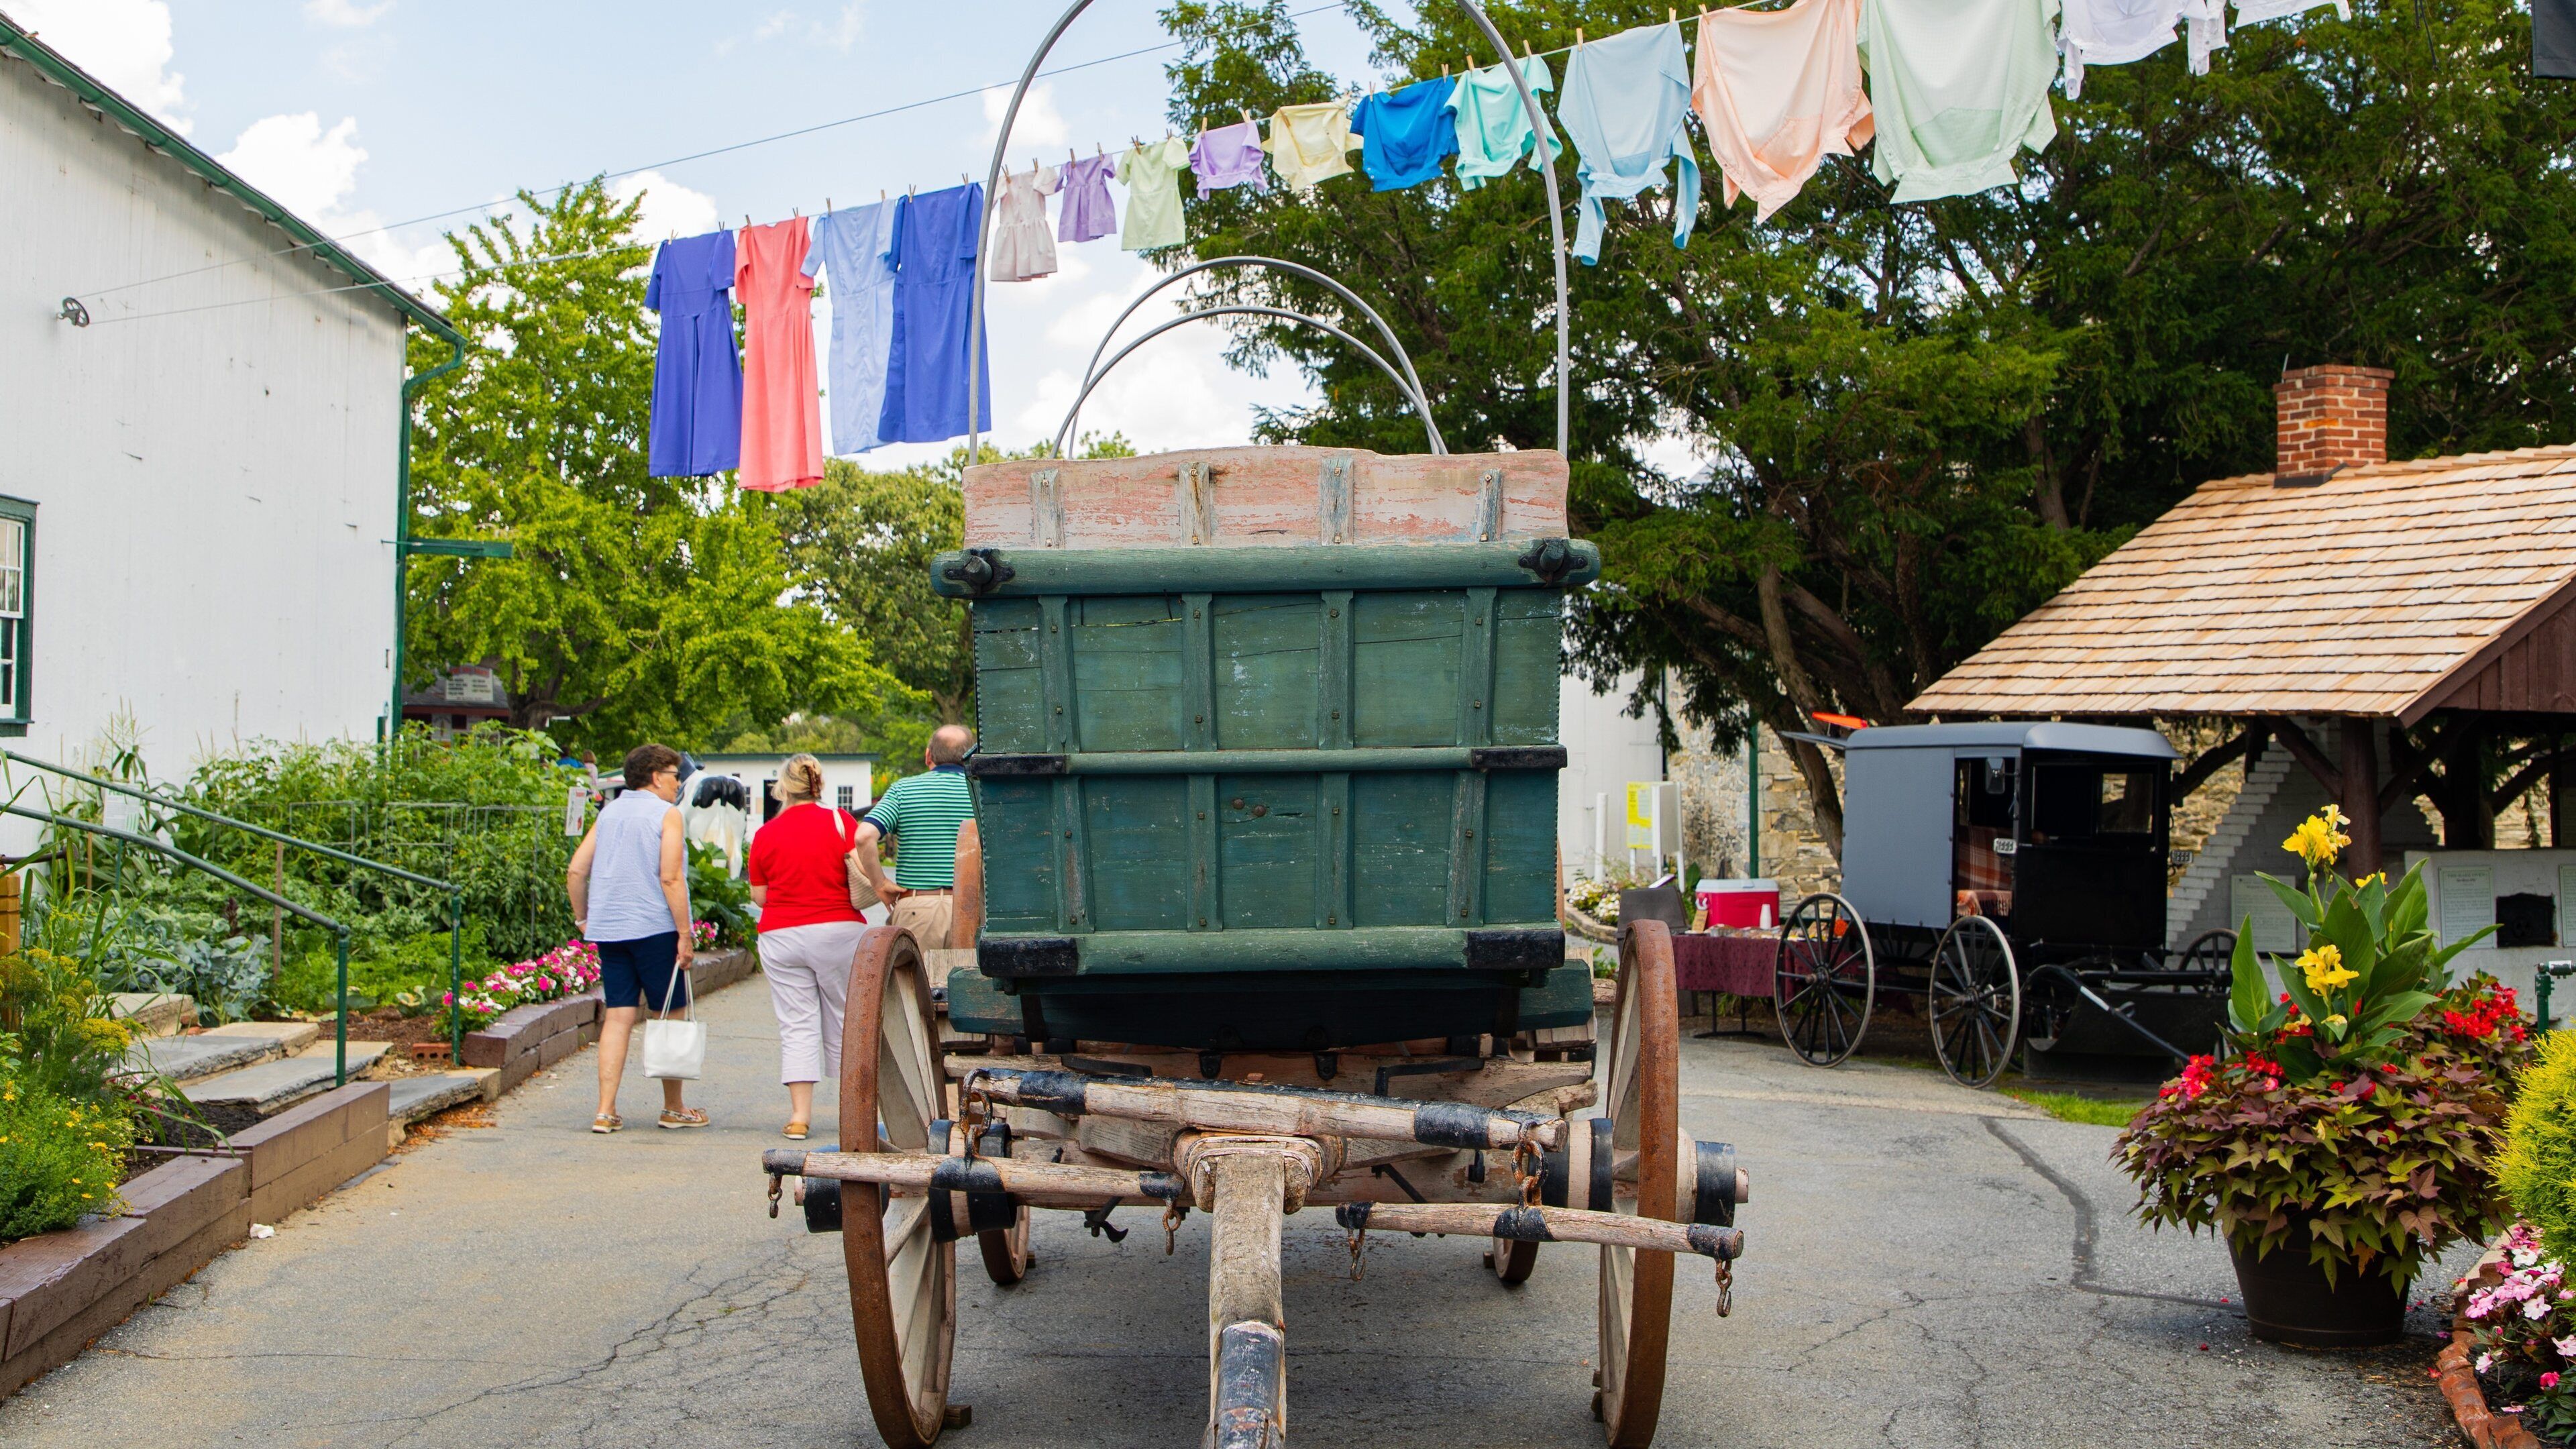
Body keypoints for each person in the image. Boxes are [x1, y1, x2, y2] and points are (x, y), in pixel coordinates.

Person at [566, 743, 705, 1134]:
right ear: (657, 776)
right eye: (676, 776)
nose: (678, 784)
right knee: (670, 1013)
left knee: (619, 1014)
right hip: (655, 927)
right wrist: (685, 933)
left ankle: (605, 1110)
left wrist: (583, 920)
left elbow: (576, 871)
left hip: (610, 930)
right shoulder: (667, 815)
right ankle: (673, 1107)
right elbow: (670, 878)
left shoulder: (609, 813)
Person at [745, 754, 867, 1140]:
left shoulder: (766, 833)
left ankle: (800, 1118)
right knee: (848, 1019)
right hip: (838, 931)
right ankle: (856, 1114)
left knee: (796, 1024)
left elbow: (760, 896)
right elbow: (862, 870)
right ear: (819, 783)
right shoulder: (841, 822)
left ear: (782, 787)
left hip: (782, 935)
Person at [853, 724, 976, 967]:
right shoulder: (980, 792)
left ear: (928, 755)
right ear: (970, 757)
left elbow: (864, 837)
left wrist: (879, 884)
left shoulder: (903, 790)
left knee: (917, 996)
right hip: (972, 908)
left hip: (918, 908)